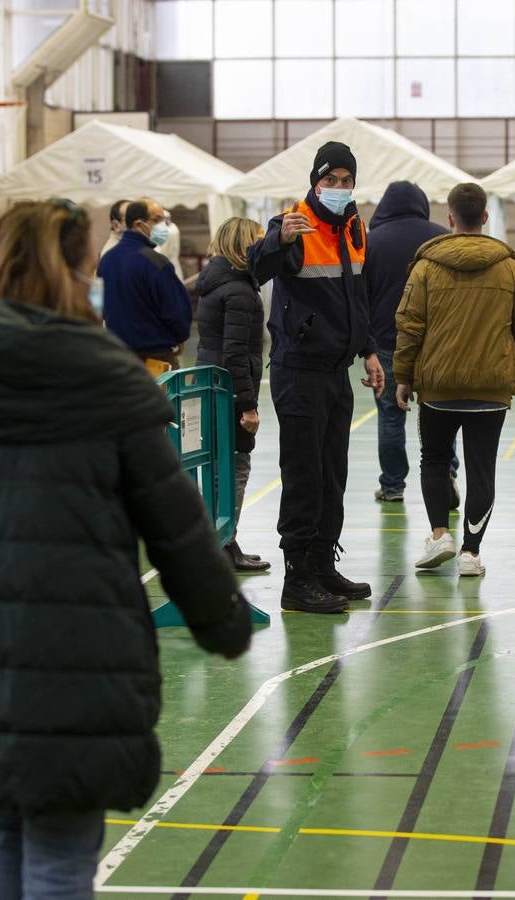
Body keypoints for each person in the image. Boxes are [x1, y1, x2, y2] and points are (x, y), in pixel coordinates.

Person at [0, 199, 252, 900]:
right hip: (78, 650)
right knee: (62, 853)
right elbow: (176, 526)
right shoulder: (110, 376)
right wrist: (223, 623)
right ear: (71, 273)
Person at [249, 141, 385, 614]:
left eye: (347, 181)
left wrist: (368, 349)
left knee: (333, 474)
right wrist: (278, 241)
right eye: (331, 180)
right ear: (315, 182)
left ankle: (324, 564)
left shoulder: (353, 227)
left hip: (336, 372)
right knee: (304, 475)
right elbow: (255, 267)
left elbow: (357, 296)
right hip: (298, 371)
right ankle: (297, 579)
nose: (340, 189)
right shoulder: (292, 224)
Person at [394, 182, 515, 577]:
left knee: (434, 460)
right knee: (482, 470)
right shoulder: (511, 268)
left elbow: (409, 326)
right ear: (485, 217)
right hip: (490, 390)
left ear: (450, 219)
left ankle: (439, 533)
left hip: (438, 387)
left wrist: (402, 377)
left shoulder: (425, 267)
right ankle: (470, 553)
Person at [363, 180, 449, 504]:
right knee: (440, 411)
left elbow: (362, 296)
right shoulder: (441, 238)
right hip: (435, 341)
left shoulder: (371, 242)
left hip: (386, 341)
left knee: (389, 415)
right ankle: (447, 476)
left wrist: (366, 344)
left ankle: (393, 485)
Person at [197, 216, 271, 573]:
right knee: (235, 469)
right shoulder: (239, 291)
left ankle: (225, 540)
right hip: (228, 391)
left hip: (211, 384)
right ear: (243, 245)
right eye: (257, 241)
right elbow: (235, 353)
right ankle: (223, 543)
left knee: (218, 469)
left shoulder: (216, 281)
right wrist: (248, 405)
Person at [96, 197, 192, 376]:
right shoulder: (155, 262)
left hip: (117, 356)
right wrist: (179, 337)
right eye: (156, 220)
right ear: (139, 224)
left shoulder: (107, 259)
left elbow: (98, 306)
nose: (163, 226)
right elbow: (176, 311)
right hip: (155, 358)